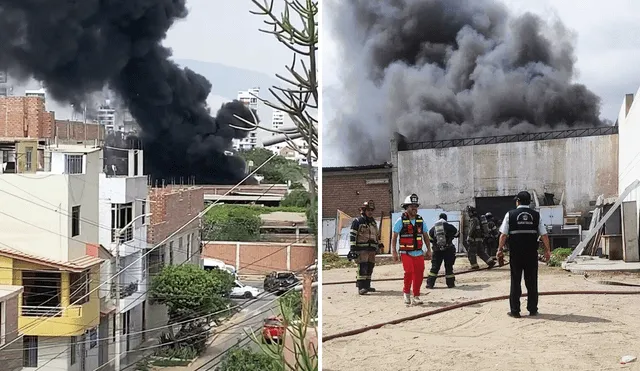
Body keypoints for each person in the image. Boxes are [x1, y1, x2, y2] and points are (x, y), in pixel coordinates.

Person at [497, 191, 551, 318]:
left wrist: (499, 249)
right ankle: (532, 309)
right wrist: (548, 251)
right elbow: (544, 235)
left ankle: (515, 311)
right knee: (532, 281)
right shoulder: (536, 215)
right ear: (529, 202)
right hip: (531, 254)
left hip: (516, 254)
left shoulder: (510, 214)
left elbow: (503, 234)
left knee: (515, 281)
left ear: (518, 201)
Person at [391, 194, 431, 305]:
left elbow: (425, 235)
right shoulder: (400, 221)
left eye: (416, 206)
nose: (414, 208)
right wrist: (394, 252)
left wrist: (429, 249)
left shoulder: (420, 220)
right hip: (406, 252)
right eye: (412, 206)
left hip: (418, 252)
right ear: (406, 207)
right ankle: (406, 293)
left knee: (419, 273)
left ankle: (416, 296)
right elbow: (394, 237)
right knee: (409, 272)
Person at [348, 200, 381, 295]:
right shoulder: (358, 221)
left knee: (370, 266)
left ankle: (367, 285)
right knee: (363, 266)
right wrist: (352, 248)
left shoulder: (373, 222)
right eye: (368, 210)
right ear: (363, 211)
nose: (370, 212)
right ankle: (361, 287)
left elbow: (377, 234)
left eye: (371, 210)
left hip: (371, 249)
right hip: (361, 249)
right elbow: (353, 235)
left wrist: (379, 244)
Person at [426, 213, 459, 289]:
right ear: (446, 219)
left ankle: (430, 284)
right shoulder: (450, 227)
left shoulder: (433, 228)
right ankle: (450, 284)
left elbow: (430, 239)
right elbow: (457, 234)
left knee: (434, 267)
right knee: (449, 267)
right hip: (449, 250)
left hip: (437, 251)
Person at [464, 205, 496, 269]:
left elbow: (472, 229)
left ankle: (474, 266)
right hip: (480, 239)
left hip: (473, 239)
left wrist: (469, 236)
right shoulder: (478, 218)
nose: (468, 214)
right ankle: (490, 262)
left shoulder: (473, 219)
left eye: (468, 212)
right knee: (481, 252)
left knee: (471, 253)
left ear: (471, 212)